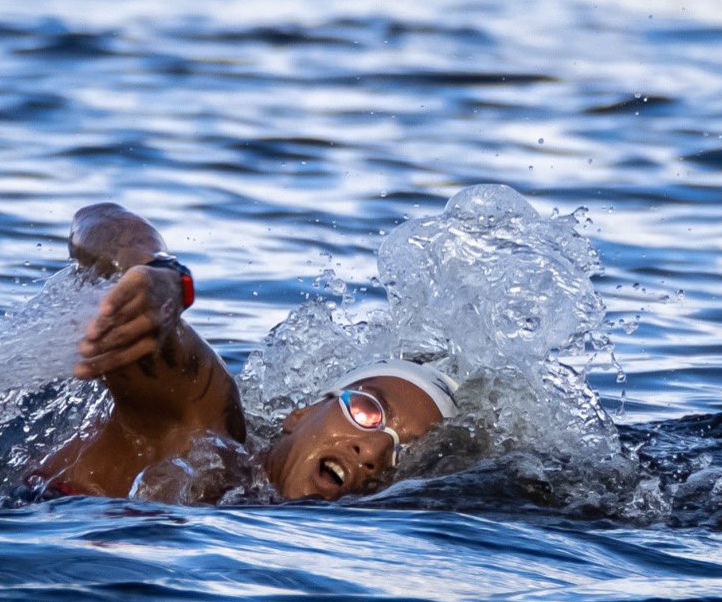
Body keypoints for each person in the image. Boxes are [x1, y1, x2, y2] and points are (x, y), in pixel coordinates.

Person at [25, 203, 460, 502]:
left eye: (404, 452)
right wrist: (159, 276)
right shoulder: (206, 433)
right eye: (368, 412)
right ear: (301, 413)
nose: (374, 453)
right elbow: (99, 221)